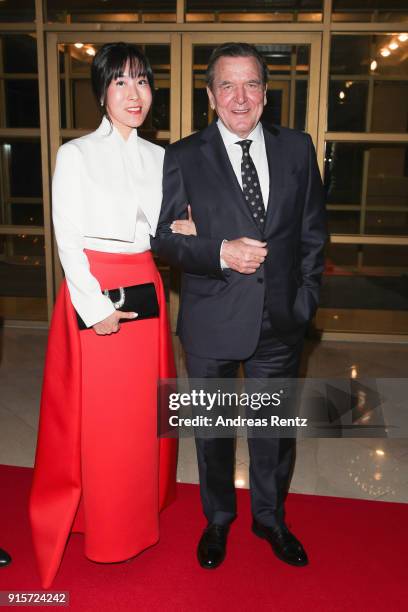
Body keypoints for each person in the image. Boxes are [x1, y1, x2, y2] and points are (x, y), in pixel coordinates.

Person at [152, 42, 327, 570]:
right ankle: (218, 520)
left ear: (266, 93)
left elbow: (314, 232)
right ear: (210, 95)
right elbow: (163, 239)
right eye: (227, 85)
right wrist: (219, 251)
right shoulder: (182, 155)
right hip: (210, 319)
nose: (240, 96)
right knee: (213, 432)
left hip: (281, 318)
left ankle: (270, 520)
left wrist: (306, 299)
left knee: (274, 431)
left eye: (251, 83)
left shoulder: (298, 148)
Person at [29, 43, 182, 589]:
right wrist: (94, 308)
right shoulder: (75, 155)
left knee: (141, 415)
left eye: (142, 82)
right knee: (100, 419)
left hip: (147, 287)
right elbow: (67, 237)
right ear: (101, 92)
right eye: (120, 82)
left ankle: (137, 515)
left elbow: (164, 229)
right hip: (96, 290)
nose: (134, 94)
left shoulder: (161, 158)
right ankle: (101, 523)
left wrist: (183, 232)